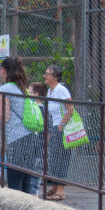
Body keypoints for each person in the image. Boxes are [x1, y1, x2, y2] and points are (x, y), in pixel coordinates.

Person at [0, 56, 40, 194]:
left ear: (3, 70)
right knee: (27, 183)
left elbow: (5, 115)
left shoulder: (5, 88)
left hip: (17, 139)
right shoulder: (23, 88)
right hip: (31, 138)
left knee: (15, 183)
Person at [42, 65, 73, 201]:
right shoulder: (50, 91)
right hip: (54, 128)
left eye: (47, 73)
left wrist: (62, 124)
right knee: (53, 157)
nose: (45, 76)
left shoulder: (61, 90)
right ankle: (55, 187)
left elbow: (70, 109)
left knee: (60, 158)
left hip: (61, 129)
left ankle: (60, 191)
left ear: (55, 77)